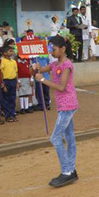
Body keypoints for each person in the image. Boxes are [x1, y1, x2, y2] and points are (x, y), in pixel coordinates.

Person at [31, 35, 79, 187]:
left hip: (67, 105)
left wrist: (42, 79)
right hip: (64, 105)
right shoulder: (54, 64)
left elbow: (62, 87)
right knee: (69, 138)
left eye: (54, 48)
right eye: (50, 48)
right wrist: (35, 69)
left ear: (63, 49)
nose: (52, 51)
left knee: (56, 138)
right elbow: (39, 71)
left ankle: (67, 171)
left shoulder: (67, 65)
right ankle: (71, 170)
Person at [0, 45, 18, 123]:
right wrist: (2, 83)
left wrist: (17, 82)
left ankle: (13, 114)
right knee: (6, 99)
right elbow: (0, 73)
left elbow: (16, 72)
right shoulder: (2, 61)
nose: (12, 52)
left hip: (13, 81)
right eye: (10, 51)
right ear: (4, 53)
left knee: (13, 98)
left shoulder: (13, 61)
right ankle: (8, 115)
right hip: (6, 81)